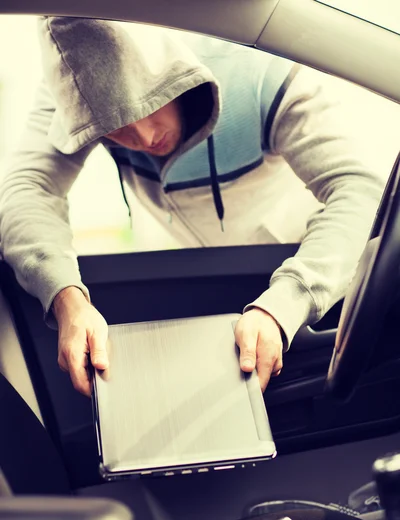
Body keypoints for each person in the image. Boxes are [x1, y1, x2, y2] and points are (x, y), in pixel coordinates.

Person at [0, 17, 384, 396]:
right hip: (210, 281)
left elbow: (360, 190)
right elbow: (26, 191)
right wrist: (66, 298)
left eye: (146, 105)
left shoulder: (262, 72)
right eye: (116, 128)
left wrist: (286, 302)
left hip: (320, 280)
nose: (145, 137)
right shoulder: (72, 95)